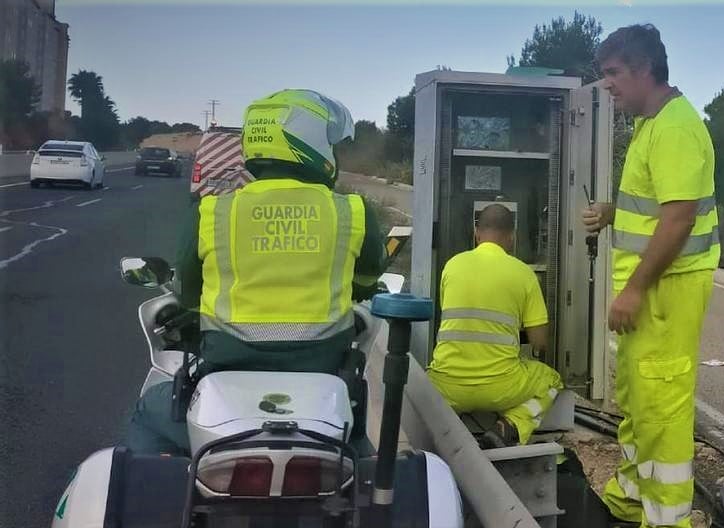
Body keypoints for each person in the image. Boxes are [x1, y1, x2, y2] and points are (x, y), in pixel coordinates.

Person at [125, 89, 387, 456]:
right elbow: (367, 278)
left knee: (149, 412)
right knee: (357, 447)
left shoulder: (212, 211)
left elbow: (187, 294)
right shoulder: (352, 212)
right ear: (310, 144)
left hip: (227, 364)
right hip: (323, 369)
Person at [582, 25, 720, 528]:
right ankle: (631, 498)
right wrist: (615, 214)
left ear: (643, 69)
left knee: (661, 405)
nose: (606, 84)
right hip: (654, 288)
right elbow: (660, 208)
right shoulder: (651, 124)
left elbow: (680, 218)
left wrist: (635, 289)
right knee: (639, 399)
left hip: (665, 289)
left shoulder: (676, 129)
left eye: (613, 73)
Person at [426, 204, 563, 446]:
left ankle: (444, 429)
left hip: (447, 386)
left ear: (476, 233)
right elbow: (540, 342)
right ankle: (509, 427)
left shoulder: (451, 266)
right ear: (512, 236)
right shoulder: (523, 273)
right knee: (551, 380)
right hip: (502, 386)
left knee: (423, 386)